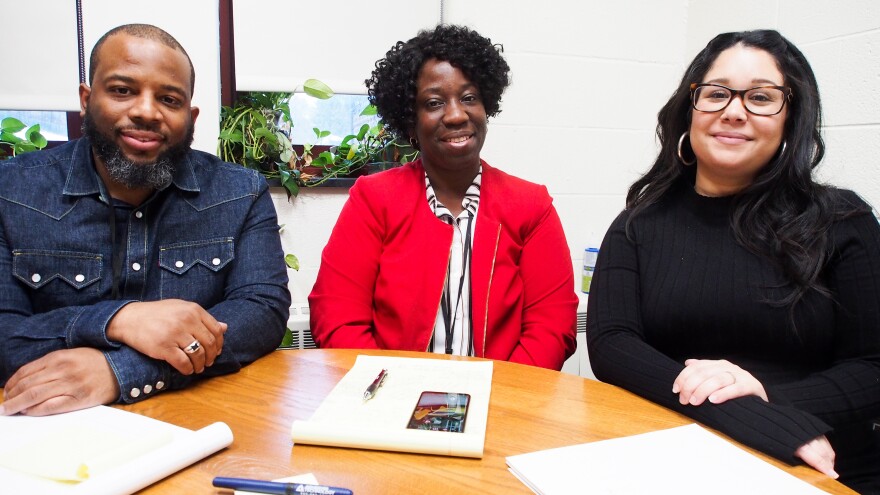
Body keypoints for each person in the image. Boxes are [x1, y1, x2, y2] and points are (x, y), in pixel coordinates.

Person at [586, 29, 880, 493]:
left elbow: (872, 366)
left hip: (821, 467)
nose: (734, 111)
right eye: (717, 93)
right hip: (674, 460)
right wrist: (756, 420)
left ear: (791, 117)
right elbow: (612, 346)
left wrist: (765, 393)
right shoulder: (638, 225)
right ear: (690, 109)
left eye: (761, 97)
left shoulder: (843, 221)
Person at [0, 24, 290, 416]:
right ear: (86, 100)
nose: (146, 111)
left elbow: (261, 313)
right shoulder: (11, 190)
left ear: (190, 116)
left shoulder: (239, 191)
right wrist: (119, 320)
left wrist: (121, 371)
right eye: (122, 90)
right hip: (46, 423)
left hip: (195, 421)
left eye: (169, 99)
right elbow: (5, 334)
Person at [308, 25, 577, 370]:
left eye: (469, 98)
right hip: (389, 401)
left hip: (503, 403)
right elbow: (337, 317)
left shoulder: (531, 206)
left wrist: (506, 396)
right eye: (434, 103)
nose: (455, 115)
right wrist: (389, 390)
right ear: (410, 122)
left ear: (486, 106)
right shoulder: (374, 200)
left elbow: (552, 327)